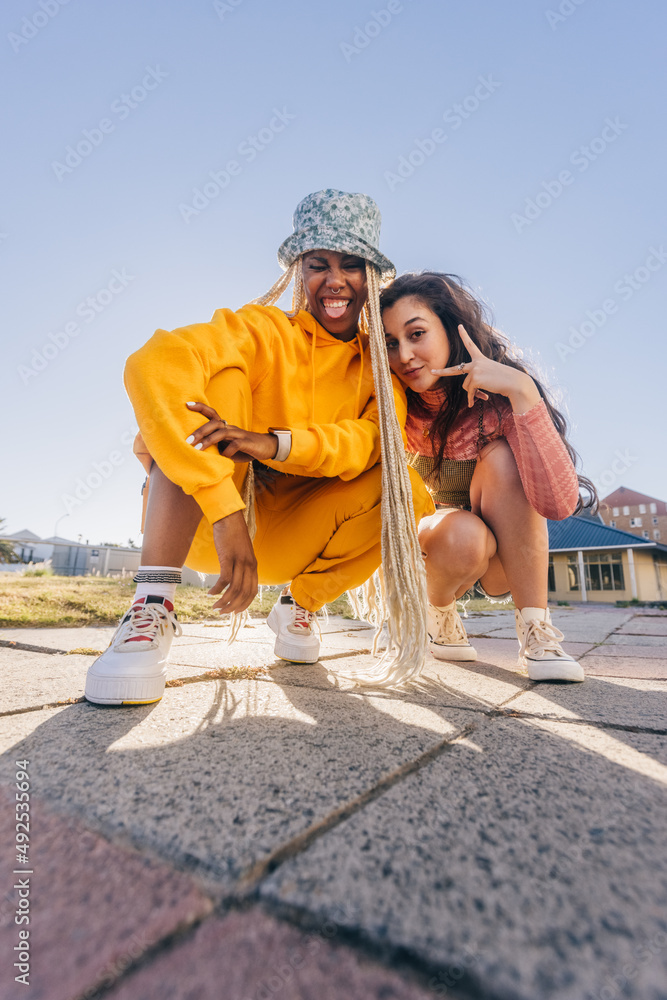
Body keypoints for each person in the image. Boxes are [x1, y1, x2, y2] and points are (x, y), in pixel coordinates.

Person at [84, 190, 433, 706]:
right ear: (298, 271)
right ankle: (150, 607)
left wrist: (273, 444)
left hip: (298, 542)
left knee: (401, 484)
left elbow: (361, 445)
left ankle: (300, 604)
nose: (335, 280)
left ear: (371, 279)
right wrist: (226, 514)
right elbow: (154, 361)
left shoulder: (380, 375)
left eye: (352, 265)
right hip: (209, 525)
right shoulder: (262, 328)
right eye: (319, 263)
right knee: (215, 381)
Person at [380, 272, 597, 683]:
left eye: (417, 334)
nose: (405, 354)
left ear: (450, 330)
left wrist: (521, 390)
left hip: (504, 562)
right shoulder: (392, 402)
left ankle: (537, 634)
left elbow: (558, 505)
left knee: (501, 456)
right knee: (464, 534)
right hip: (438, 553)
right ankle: (438, 614)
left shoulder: (498, 401)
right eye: (391, 342)